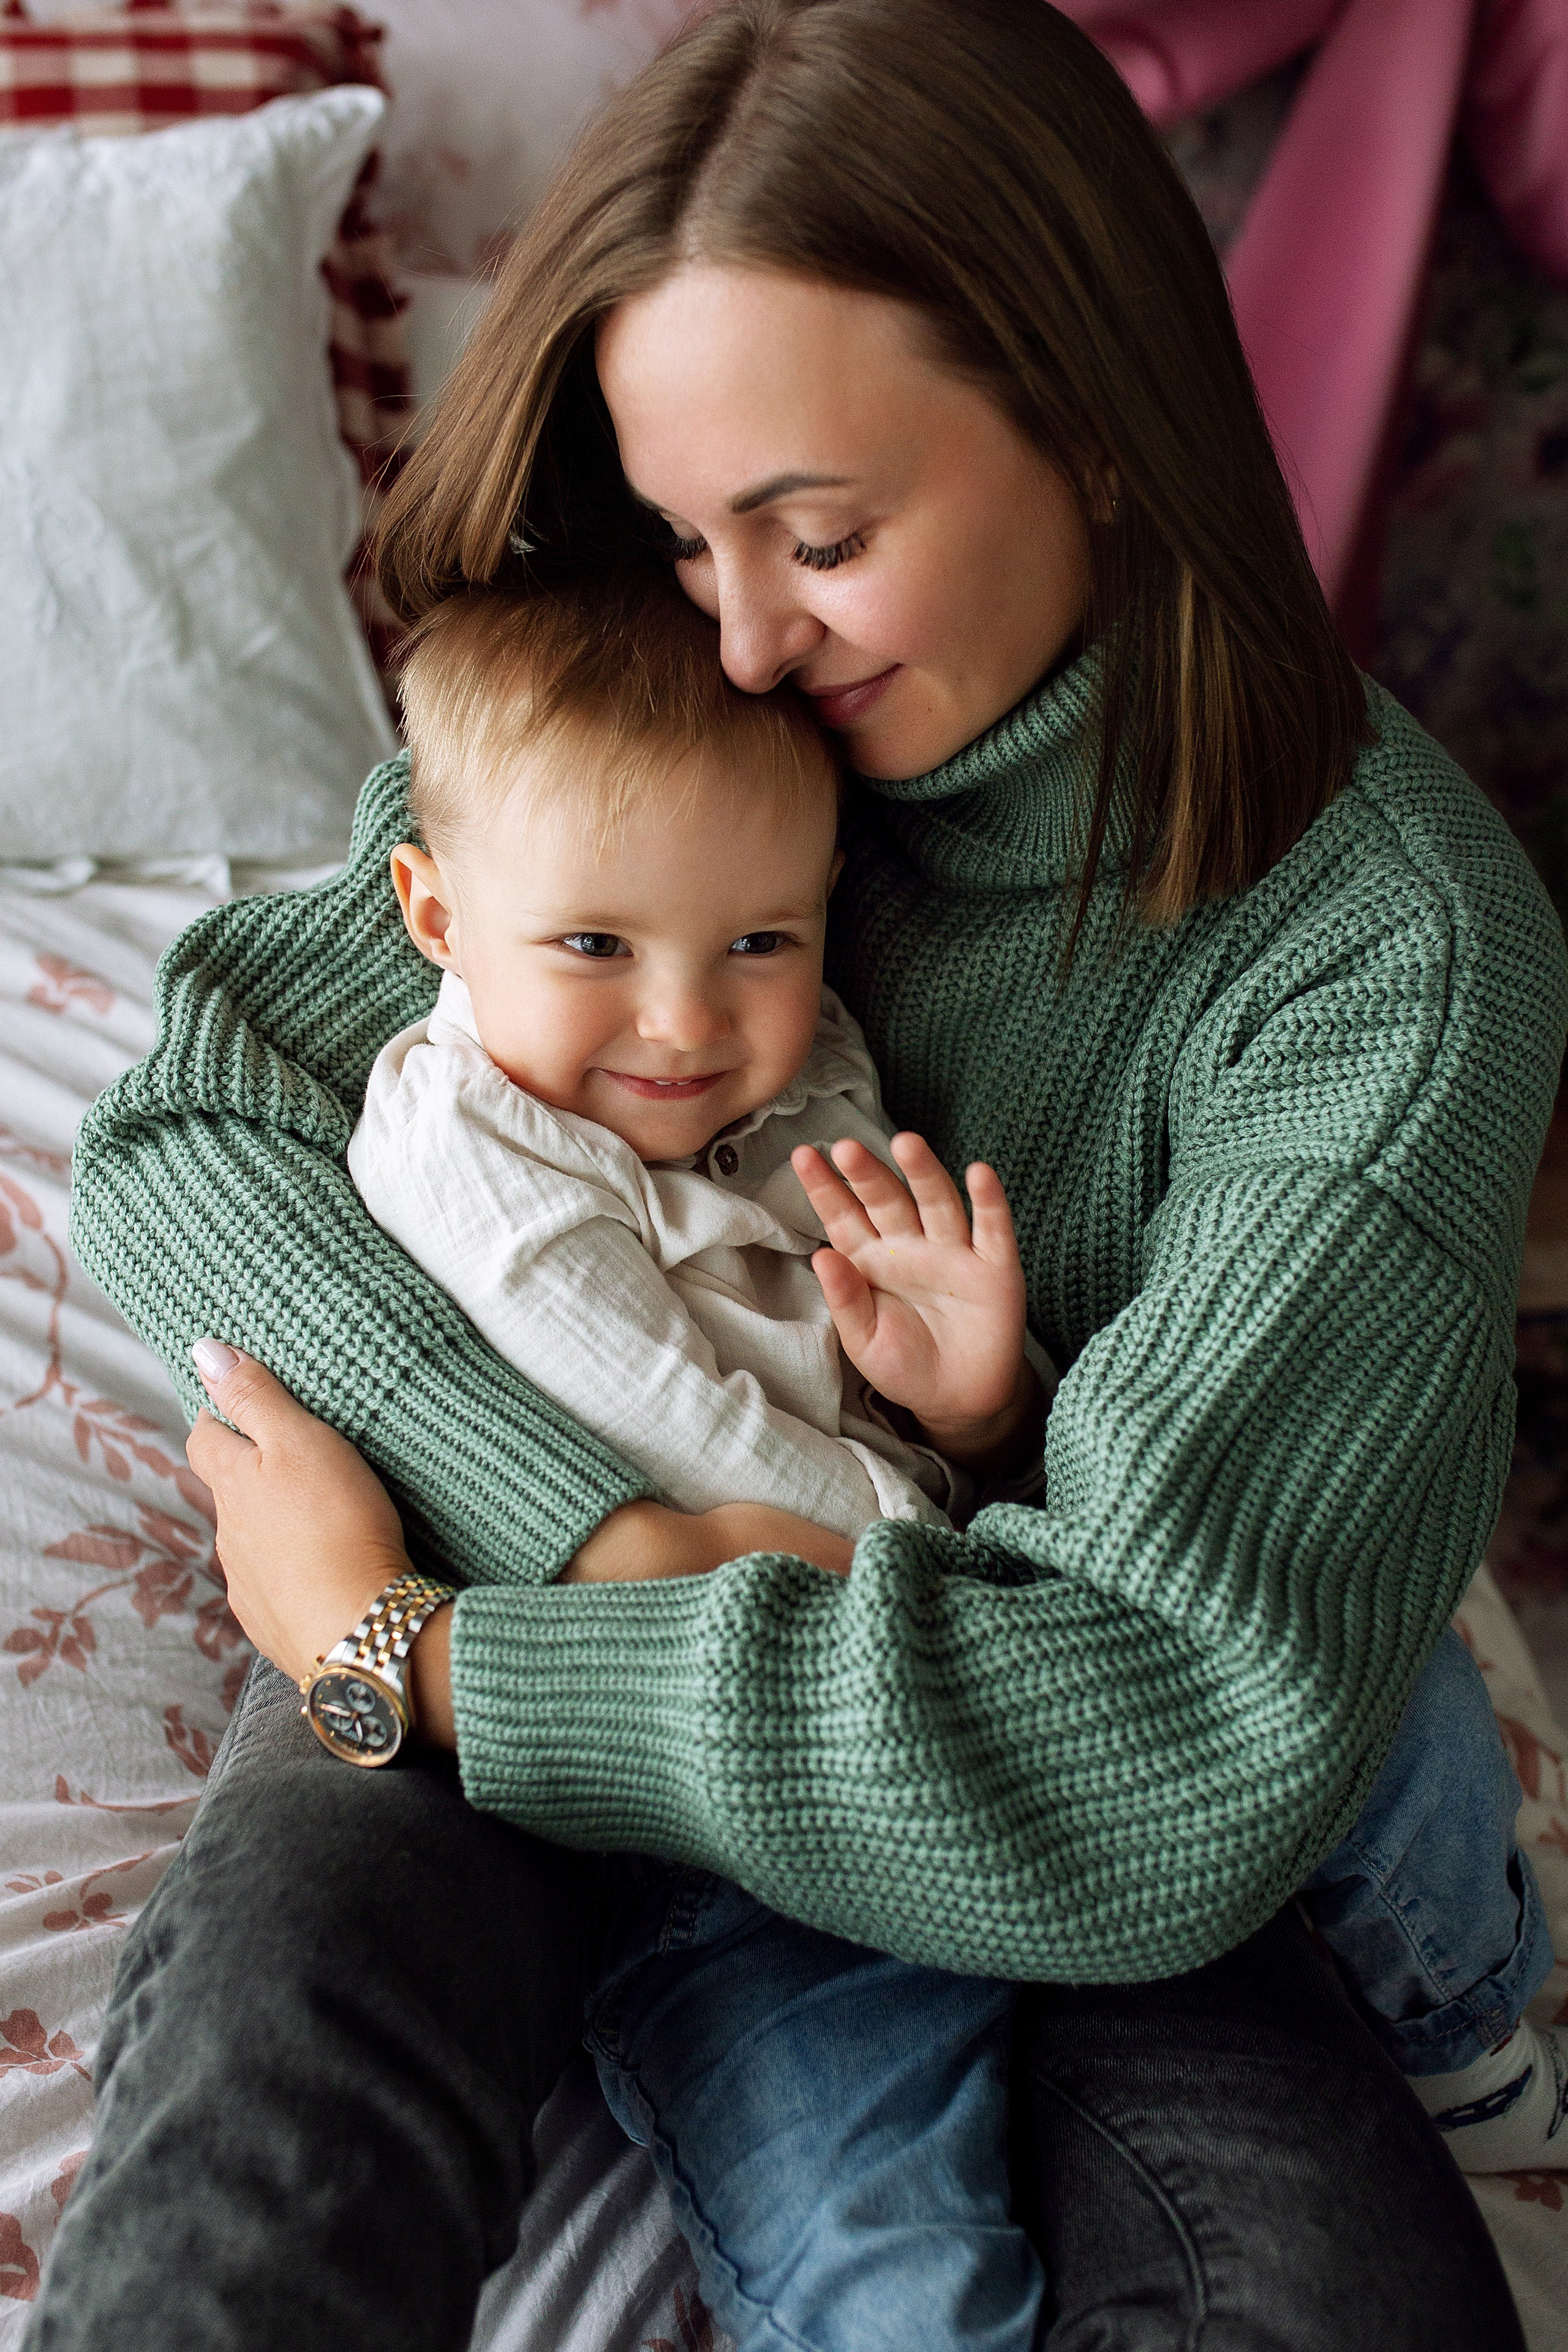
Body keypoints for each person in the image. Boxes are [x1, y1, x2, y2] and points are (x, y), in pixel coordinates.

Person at [29, 2, 1565, 2346]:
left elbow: (1151, 1744)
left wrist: (420, 1659)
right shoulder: (674, 676)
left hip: (967, 1736)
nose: (735, 638)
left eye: (822, 539)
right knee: (271, 2135)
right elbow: (201, 1110)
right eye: (678, 534)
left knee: (1339, 2305)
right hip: (545, 1544)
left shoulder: (1389, 950)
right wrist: (601, 1532)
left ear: (1108, 432)